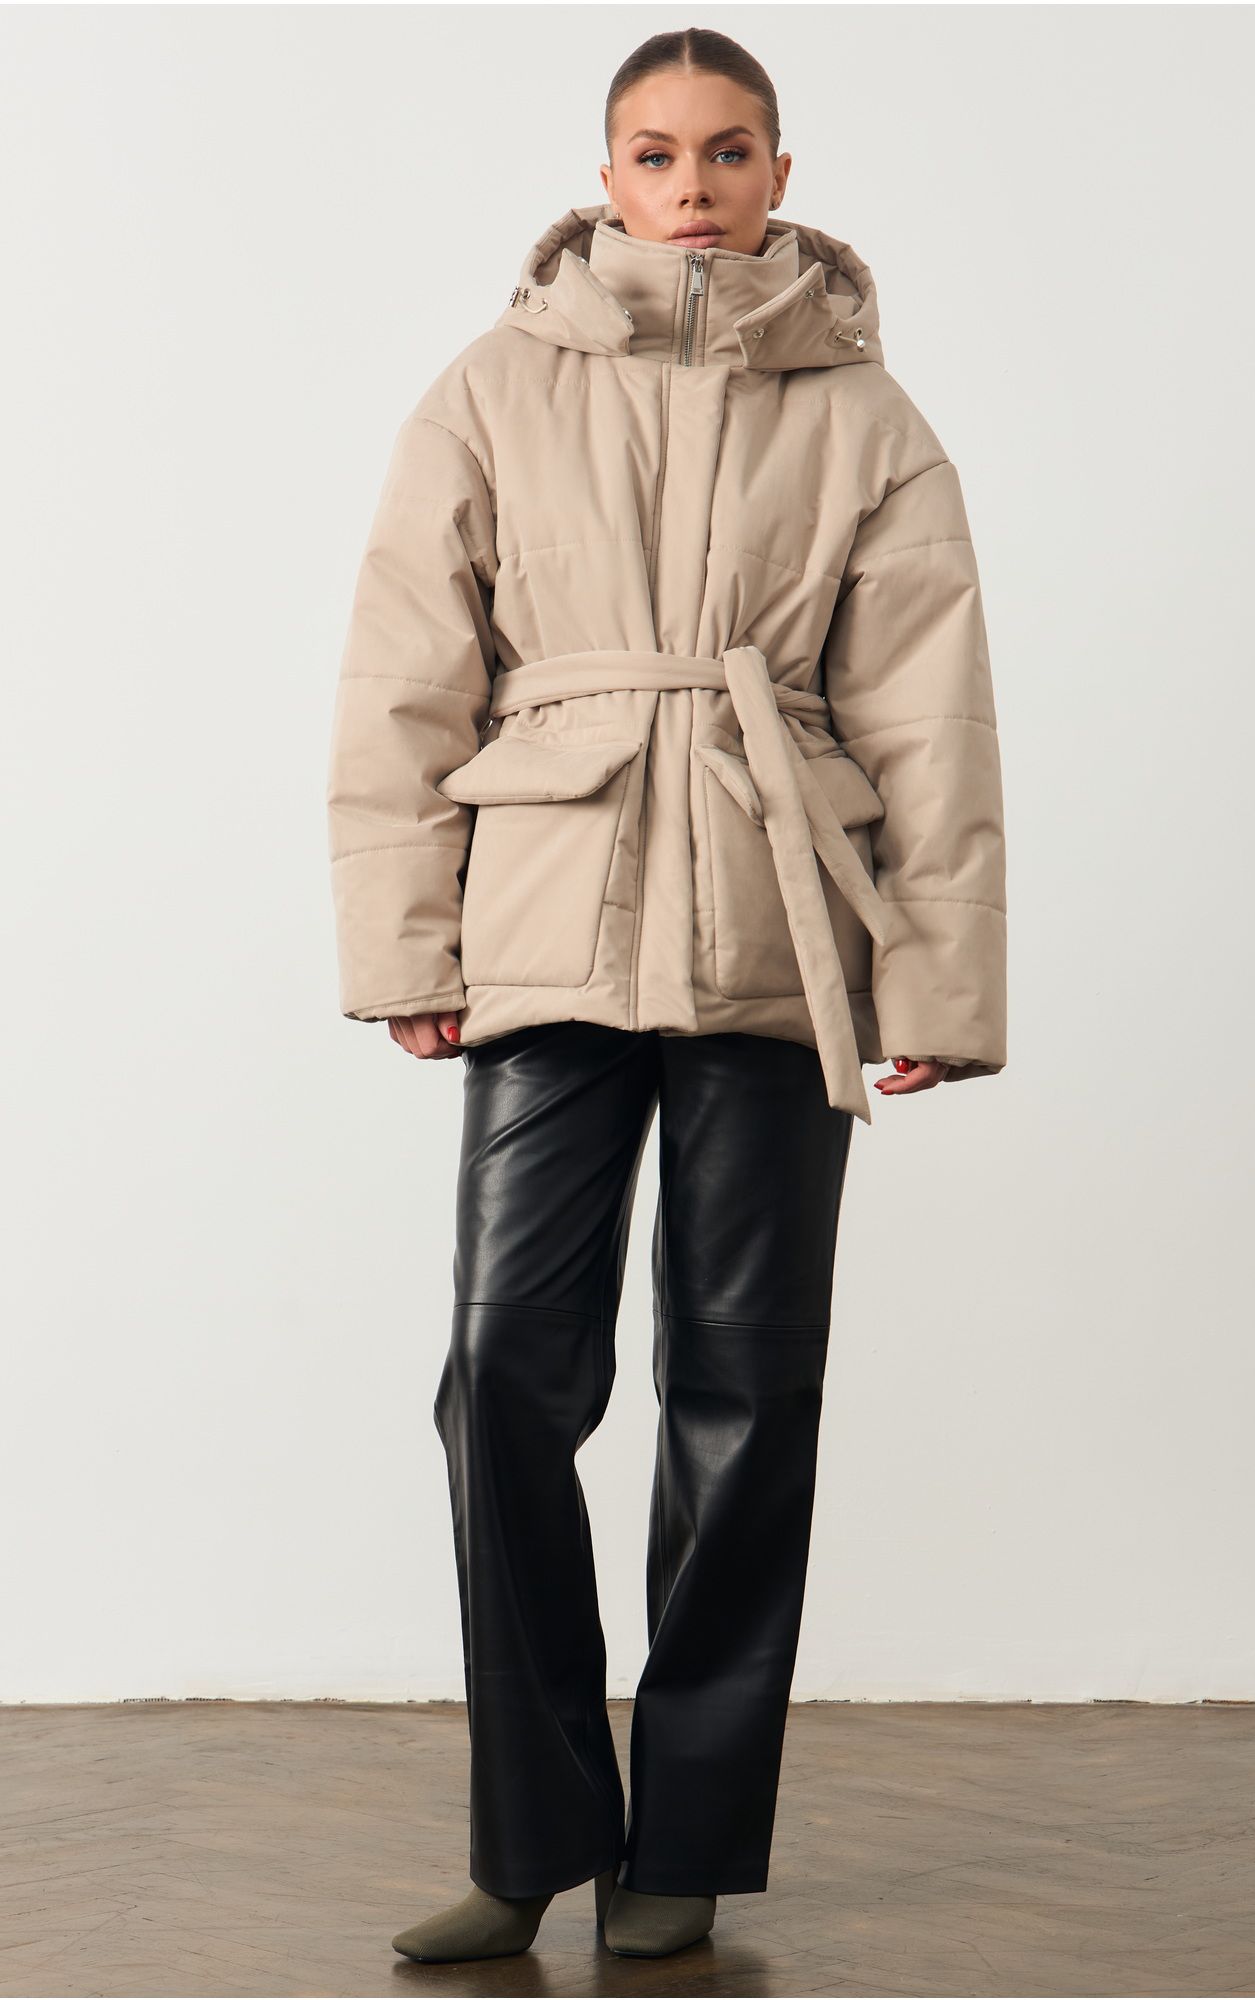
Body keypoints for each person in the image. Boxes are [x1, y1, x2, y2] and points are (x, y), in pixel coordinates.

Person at [325, 26, 1006, 1966]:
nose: (690, 186)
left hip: (778, 933)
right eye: (654, 151)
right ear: (605, 174)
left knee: (744, 1393)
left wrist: (934, 973)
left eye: (724, 151)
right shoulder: (491, 385)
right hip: (547, 917)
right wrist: (407, 946)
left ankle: (686, 1841)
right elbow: (403, 672)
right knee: (502, 1379)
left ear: (779, 171)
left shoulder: (867, 415)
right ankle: (531, 1832)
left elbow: (928, 712)